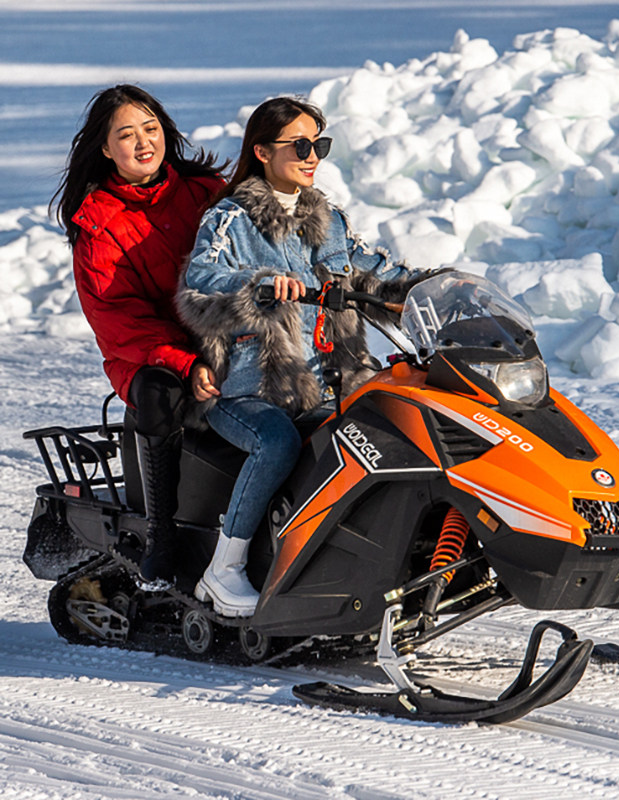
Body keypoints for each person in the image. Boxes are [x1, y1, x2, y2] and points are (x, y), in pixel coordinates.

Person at [178, 96, 431, 617]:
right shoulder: (230, 218)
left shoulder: (327, 217)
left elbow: (371, 271)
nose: (313, 155)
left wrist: (431, 289)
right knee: (275, 443)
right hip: (247, 389)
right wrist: (260, 284)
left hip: (326, 385)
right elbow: (199, 283)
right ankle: (223, 569)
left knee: (391, 432)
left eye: (320, 144)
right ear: (263, 151)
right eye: (300, 145)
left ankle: (368, 566)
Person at [51, 84, 226, 586]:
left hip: (219, 336)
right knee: (160, 392)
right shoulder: (98, 223)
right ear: (105, 149)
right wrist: (185, 362)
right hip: (147, 356)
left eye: (150, 129)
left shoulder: (205, 191)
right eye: (127, 135)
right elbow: (119, 319)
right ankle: (163, 535)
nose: (143, 142)